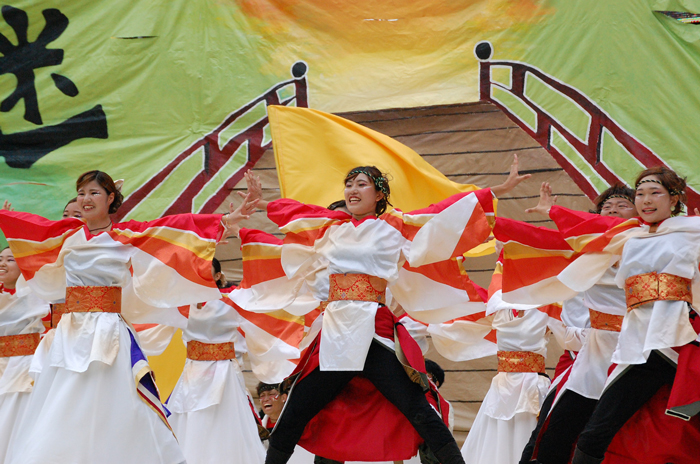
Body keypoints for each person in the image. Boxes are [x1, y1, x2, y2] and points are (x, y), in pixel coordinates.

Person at [232, 157, 529, 464]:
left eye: (362, 184)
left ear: (380, 196)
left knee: (418, 410)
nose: (352, 190)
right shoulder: (332, 229)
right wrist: (262, 201)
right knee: (294, 415)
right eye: (349, 184)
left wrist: (497, 190)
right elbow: (297, 214)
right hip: (336, 335)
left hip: (372, 331)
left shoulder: (393, 227)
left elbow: (441, 214)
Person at [0, 170, 257, 464]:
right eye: (82, 193)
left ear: (111, 199)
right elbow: (33, 231)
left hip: (107, 330)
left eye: (94, 193)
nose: (86, 199)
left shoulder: (126, 236)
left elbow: (175, 229)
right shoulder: (67, 236)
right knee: (62, 399)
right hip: (71, 332)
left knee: (114, 401)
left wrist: (225, 221)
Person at [498, 166, 700, 464]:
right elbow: (574, 233)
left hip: (671, 340)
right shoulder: (626, 238)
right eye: (641, 193)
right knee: (576, 431)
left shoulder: (691, 231)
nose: (646, 200)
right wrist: (547, 212)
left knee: (619, 433)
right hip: (625, 344)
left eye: (654, 193)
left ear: (674, 199)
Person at [519, 183, 637, 464]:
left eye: (622, 205)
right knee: (554, 433)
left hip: (635, 353)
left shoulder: (647, 243)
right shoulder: (583, 253)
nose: (612, 210)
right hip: (589, 353)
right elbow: (537, 241)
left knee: (619, 434)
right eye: (606, 207)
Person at [167, 258, 266, 464]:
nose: (201, 273)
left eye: (207, 270)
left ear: (218, 276)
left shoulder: (234, 300)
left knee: (223, 421)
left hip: (223, 372)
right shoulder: (182, 301)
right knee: (192, 418)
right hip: (193, 372)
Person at [0, 248, 50, 461]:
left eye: (10, 259)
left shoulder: (39, 295)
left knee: (14, 418)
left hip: (23, 368)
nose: (2, 264)